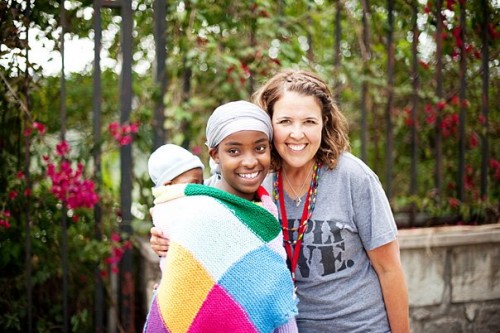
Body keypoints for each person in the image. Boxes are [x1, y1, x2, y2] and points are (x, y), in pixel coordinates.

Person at [151, 70, 410, 332]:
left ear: (324, 123)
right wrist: (165, 238)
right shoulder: (253, 179)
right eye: (285, 121)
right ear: (269, 123)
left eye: (309, 121)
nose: (297, 134)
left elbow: (389, 269)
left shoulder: (354, 178)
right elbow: (203, 218)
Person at [143, 101, 298, 333]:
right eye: (234, 151)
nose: (249, 161)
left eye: (260, 148)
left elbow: (274, 296)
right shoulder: (201, 212)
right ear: (215, 155)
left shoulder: (265, 208)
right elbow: (180, 298)